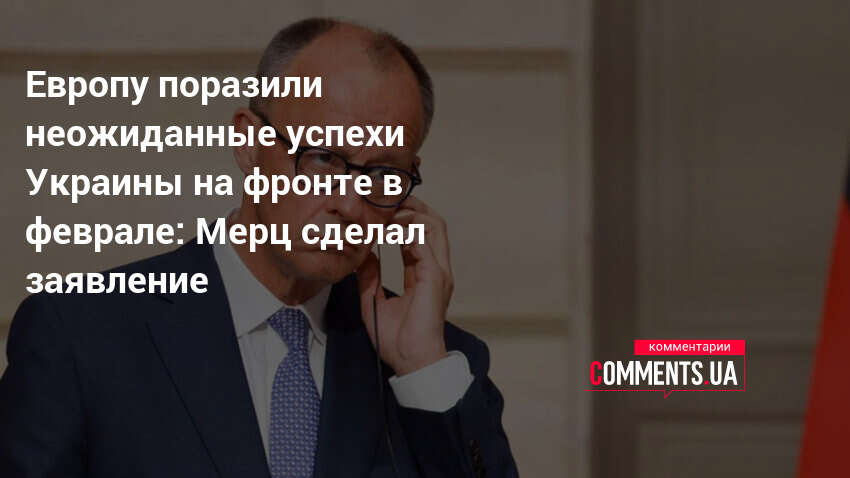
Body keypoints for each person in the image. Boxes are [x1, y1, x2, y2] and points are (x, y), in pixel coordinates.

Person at [0, 18, 518, 478]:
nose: (349, 204)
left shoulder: (438, 367)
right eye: (323, 158)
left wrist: (422, 369)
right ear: (249, 144)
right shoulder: (83, 336)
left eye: (383, 173)